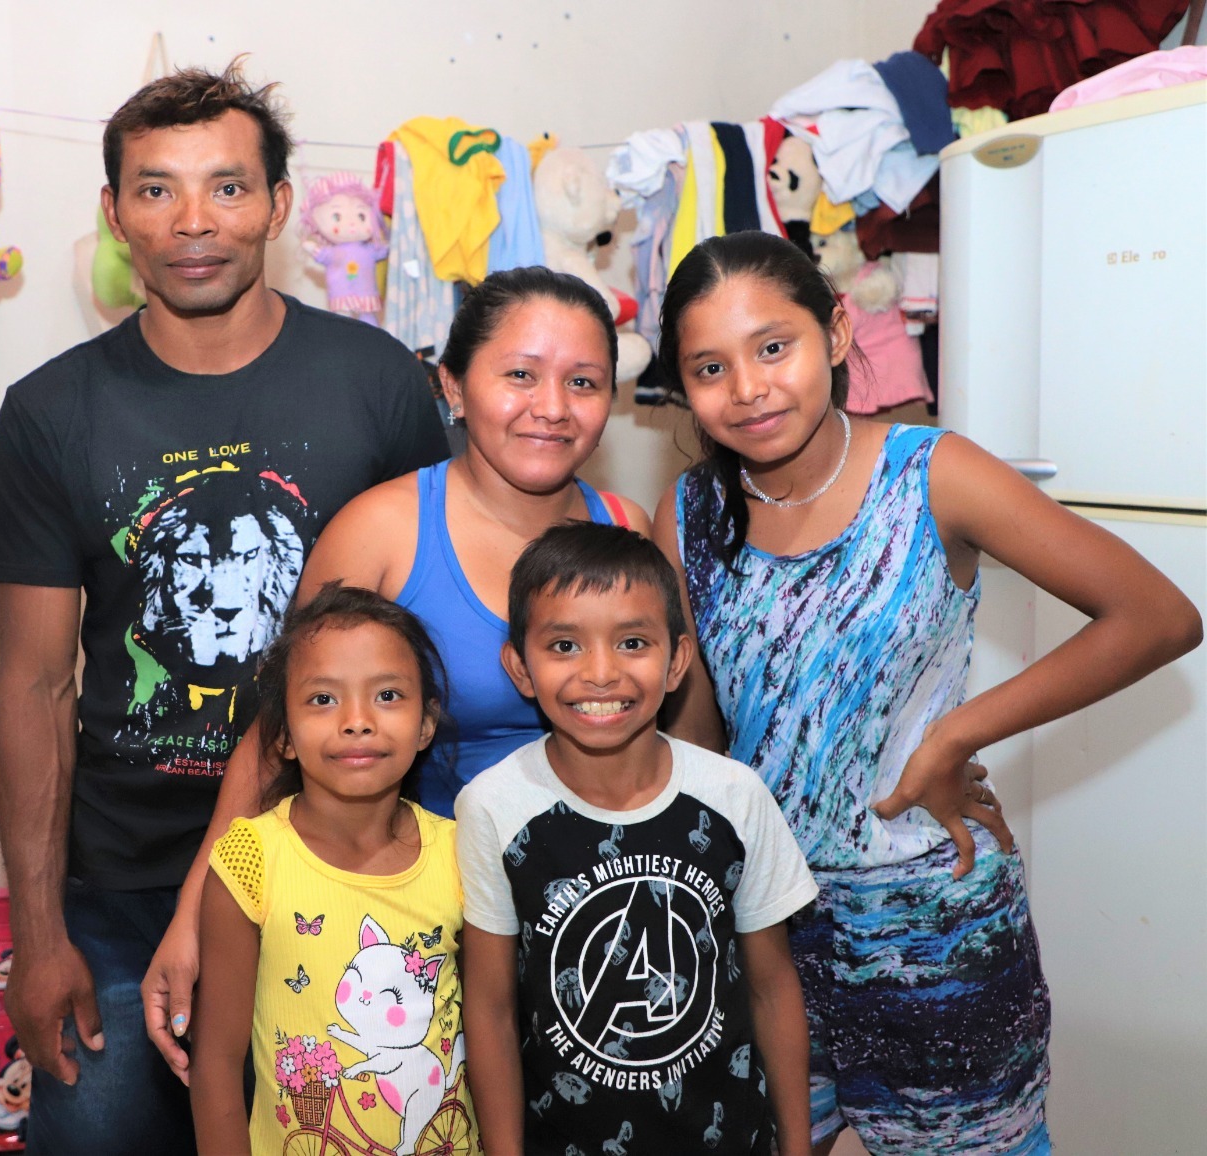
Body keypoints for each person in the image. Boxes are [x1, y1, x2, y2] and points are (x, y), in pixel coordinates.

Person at [0, 61, 448, 1156]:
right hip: (122, 885)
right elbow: (34, 686)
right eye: (157, 189)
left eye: (227, 187)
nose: (193, 221)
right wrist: (37, 935)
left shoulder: (379, 384)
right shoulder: (49, 412)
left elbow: (426, 644)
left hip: (339, 858)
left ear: (278, 206)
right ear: (115, 213)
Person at [651, 231, 1204, 1155]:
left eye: (773, 347)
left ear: (835, 332)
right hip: (765, 934)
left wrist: (954, 735)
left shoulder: (931, 474)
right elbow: (701, 739)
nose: (747, 388)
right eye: (710, 368)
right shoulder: (689, 514)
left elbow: (1157, 616)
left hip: (936, 937)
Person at [143, 266, 649, 1074]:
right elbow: (276, 732)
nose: (552, 406)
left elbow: (672, 740)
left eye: (582, 382)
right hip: (425, 929)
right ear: (453, 386)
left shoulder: (627, 527)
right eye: (520, 374)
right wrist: (195, 913)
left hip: (602, 918)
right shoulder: (382, 530)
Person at [456, 522, 819, 1156]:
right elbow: (489, 1010)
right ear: (519, 667)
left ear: (676, 661)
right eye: (564, 645)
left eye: (631, 643)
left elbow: (771, 987)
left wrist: (796, 1146)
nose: (601, 673)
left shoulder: (734, 795)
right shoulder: (493, 805)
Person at [190, 583, 474, 1156]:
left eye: (388, 695)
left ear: (425, 724)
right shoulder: (251, 860)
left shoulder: (461, 853)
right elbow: (216, 1062)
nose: (356, 721)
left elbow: (493, 1028)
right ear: (283, 735)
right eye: (323, 699)